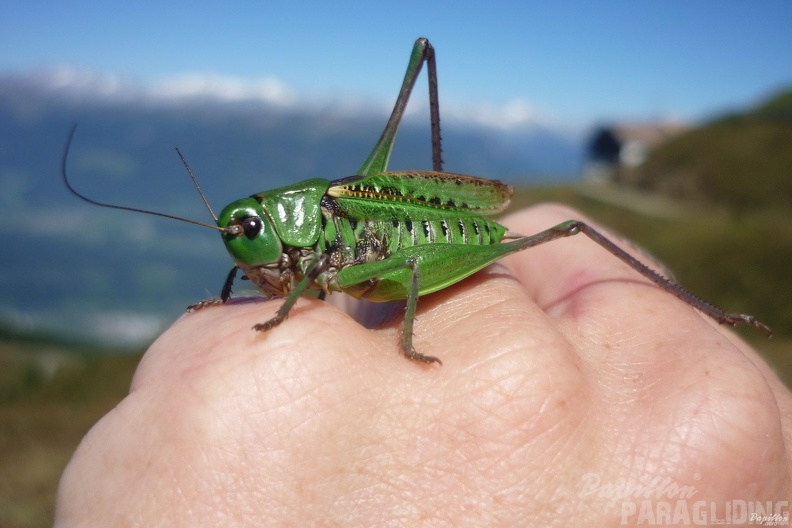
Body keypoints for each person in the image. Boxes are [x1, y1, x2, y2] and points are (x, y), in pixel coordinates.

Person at [55, 205, 791, 526]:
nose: (242, 247)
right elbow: (289, 272)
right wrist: (239, 298)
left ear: (279, 220)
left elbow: (379, 270)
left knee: (567, 229)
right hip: (383, 249)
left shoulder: (321, 225)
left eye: (248, 232)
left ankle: (718, 312)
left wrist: (400, 343)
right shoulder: (284, 246)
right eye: (237, 237)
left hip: (427, 243)